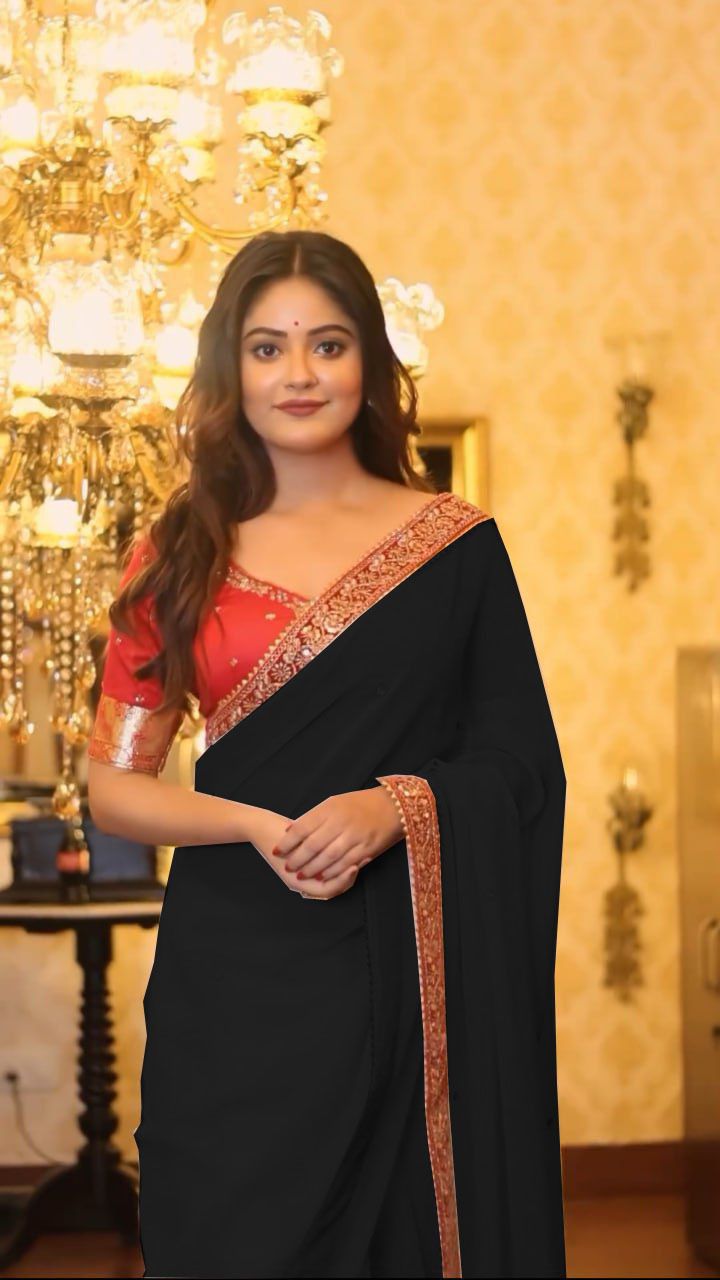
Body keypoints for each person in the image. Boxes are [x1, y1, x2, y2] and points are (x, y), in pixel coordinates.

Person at [87, 228, 567, 1279]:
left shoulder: (453, 548)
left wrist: (396, 806)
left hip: (404, 968)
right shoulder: (178, 552)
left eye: (329, 344)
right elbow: (113, 786)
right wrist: (256, 824)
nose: (298, 373)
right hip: (233, 974)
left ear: (370, 362)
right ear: (230, 366)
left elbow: (523, 766)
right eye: (268, 347)